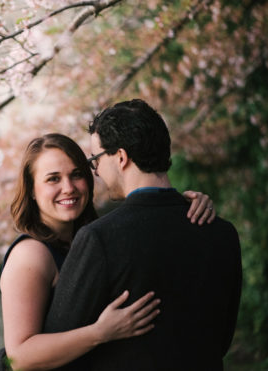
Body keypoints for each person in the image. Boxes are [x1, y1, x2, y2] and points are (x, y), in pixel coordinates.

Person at [0, 133, 217, 371]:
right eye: (53, 179)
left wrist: (179, 207)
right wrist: (100, 332)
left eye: (76, 175)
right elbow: (19, 357)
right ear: (32, 189)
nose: (69, 188)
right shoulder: (31, 255)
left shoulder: (95, 238)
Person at [43, 100, 242, 370]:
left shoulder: (99, 238)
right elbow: (222, 339)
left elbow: (54, 345)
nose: (96, 171)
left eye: (95, 160)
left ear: (121, 157)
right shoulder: (222, 233)